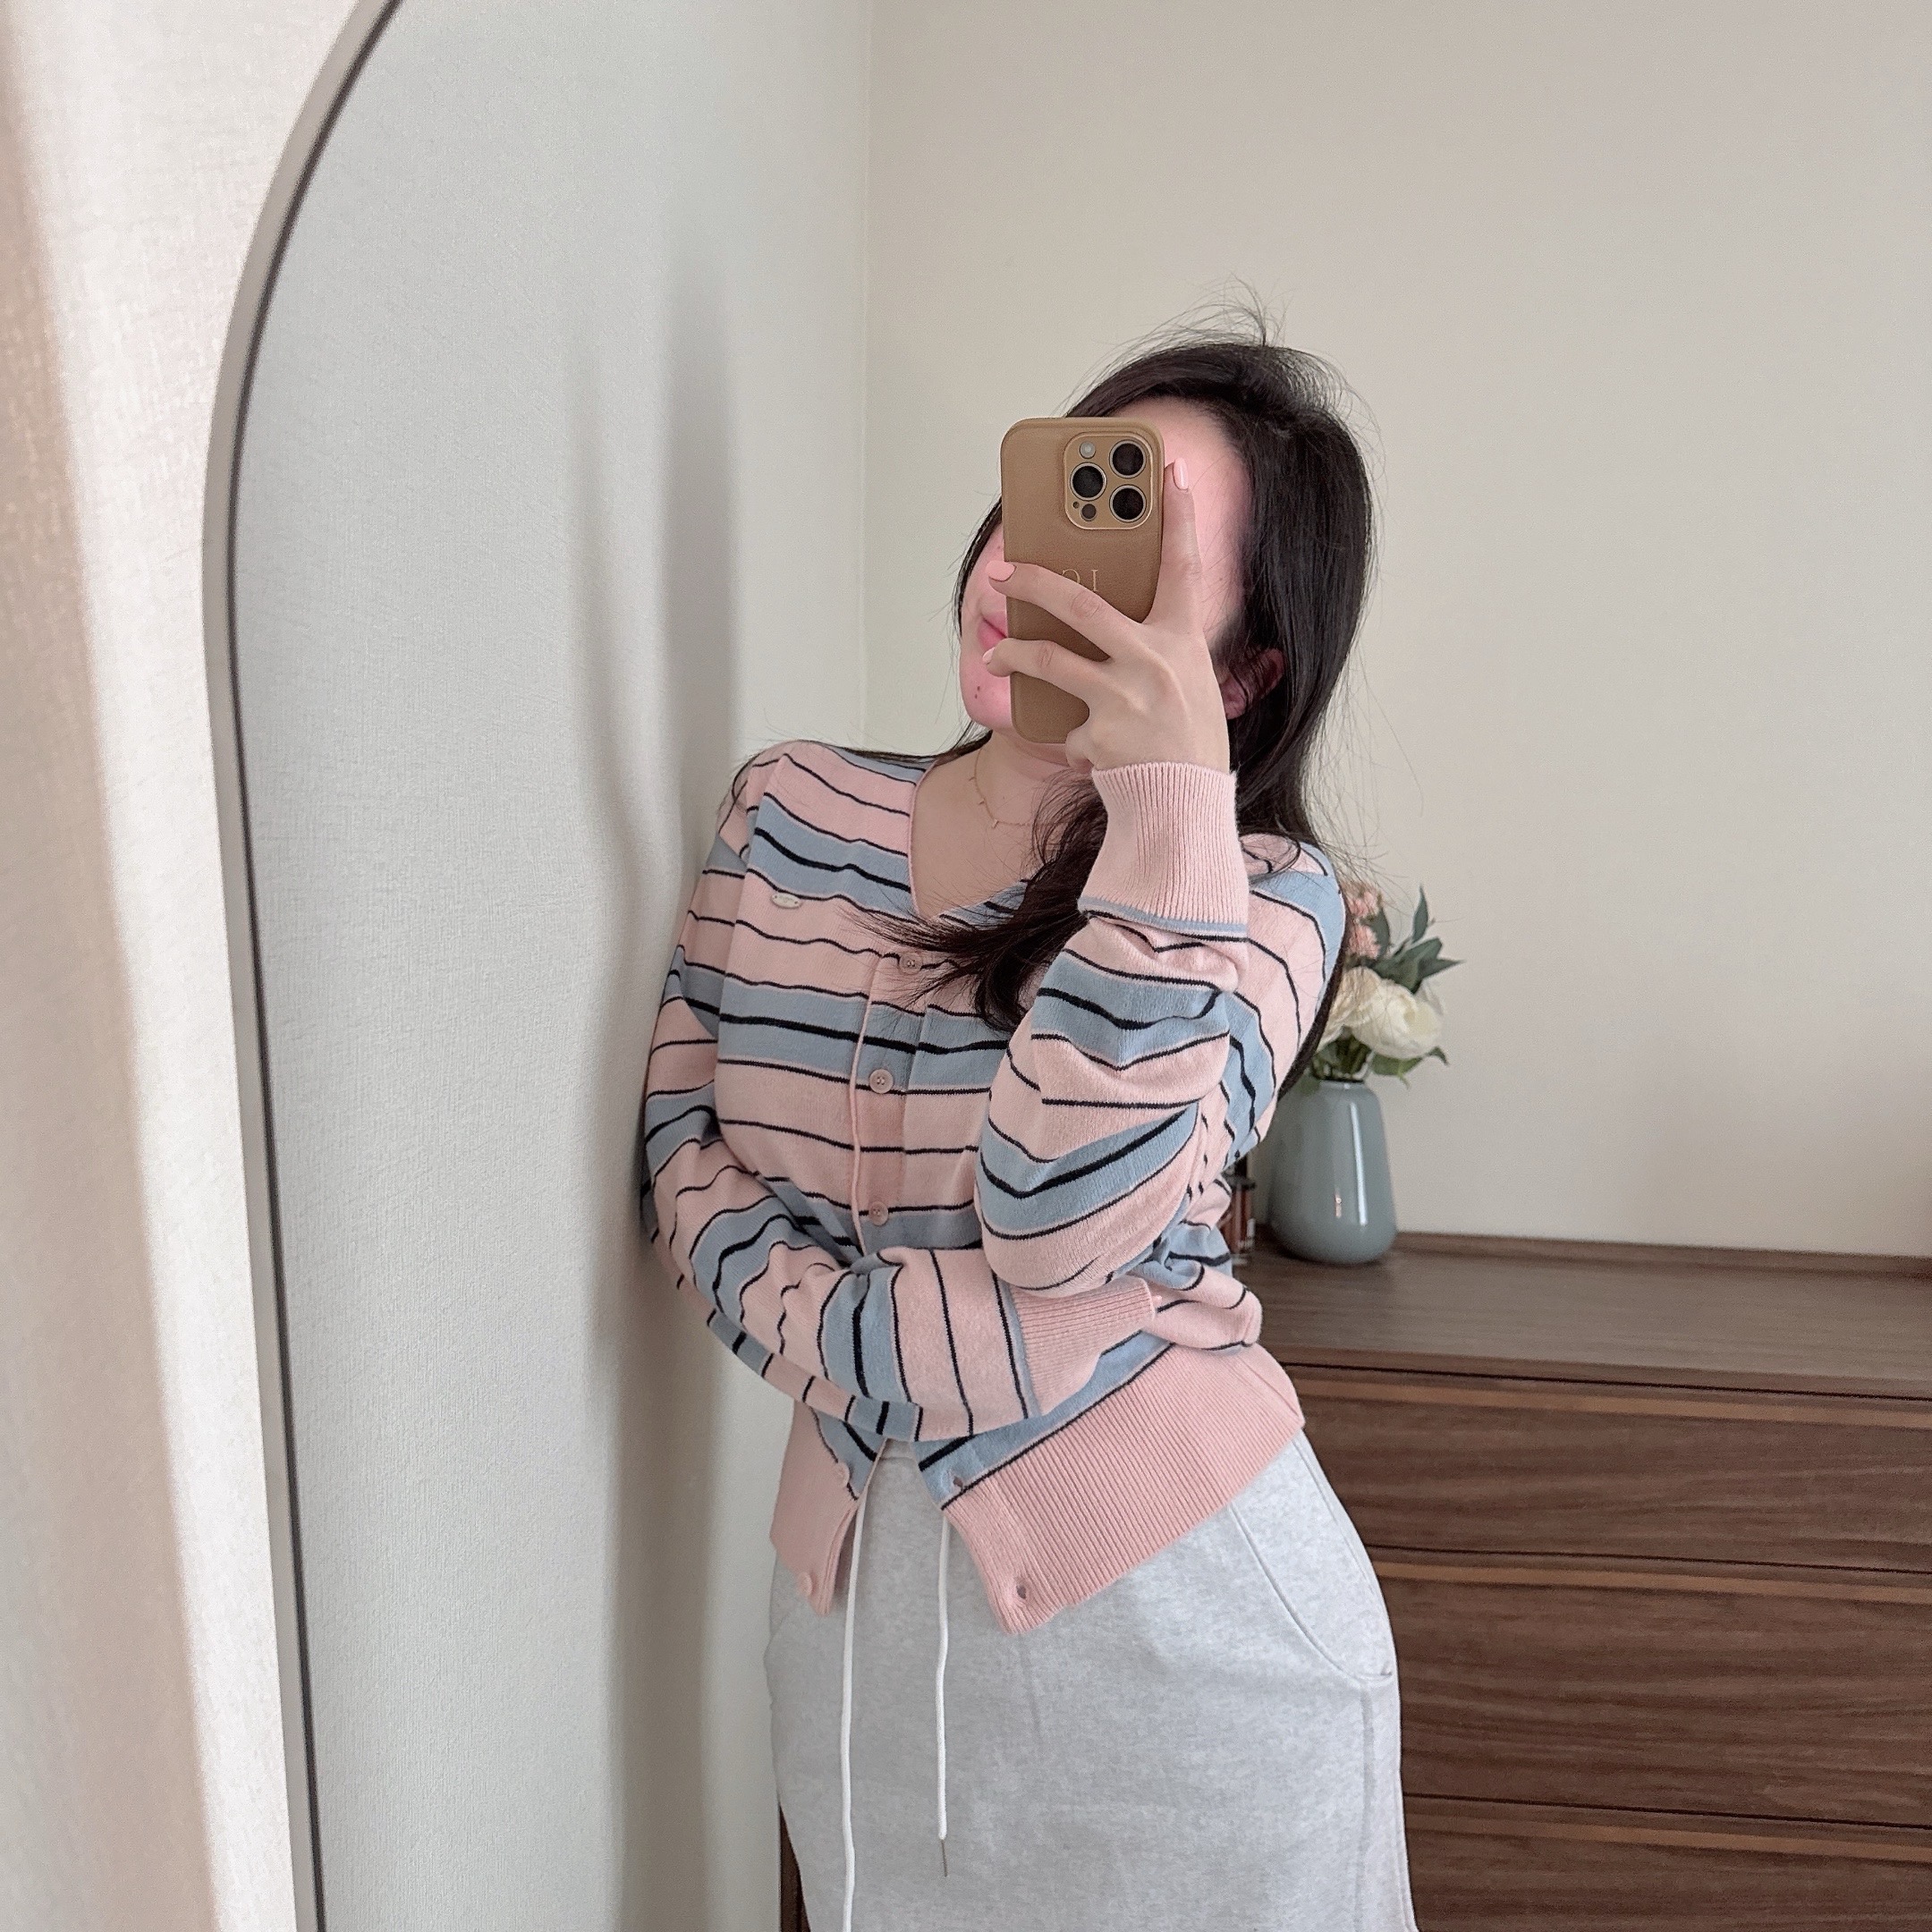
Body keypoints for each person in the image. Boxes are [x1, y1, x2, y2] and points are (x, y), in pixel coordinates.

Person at [640, 324, 1418, 1931]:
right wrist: (873, 1338)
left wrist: (1171, 818)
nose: (1036, 574)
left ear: (1241, 673)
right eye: (1064, 498)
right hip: (851, 1645)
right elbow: (681, 1157)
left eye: (1142, 559)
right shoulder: (789, 813)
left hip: (1205, 1658)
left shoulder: (1266, 905)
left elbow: (1062, 1230)